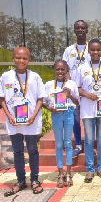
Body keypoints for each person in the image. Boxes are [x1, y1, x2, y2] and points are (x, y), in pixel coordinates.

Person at [0, 47, 46, 196]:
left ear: (29, 60)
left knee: (33, 150)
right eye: (18, 58)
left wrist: (33, 115)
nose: (21, 61)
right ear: (13, 58)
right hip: (14, 121)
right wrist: (8, 115)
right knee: (18, 152)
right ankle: (20, 181)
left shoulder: (35, 76)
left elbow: (40, 98)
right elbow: (2, 99)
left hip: (30, 121)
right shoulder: (5, 76)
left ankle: (34, 180)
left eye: (24, 58)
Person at [76, 39, 101, 183]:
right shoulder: (82, 68)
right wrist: (86, 94)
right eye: (93, 50)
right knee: (90, 140)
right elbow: (77, 88)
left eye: (98, 50)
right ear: (88, 51)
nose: (95, 52)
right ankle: (90, 170)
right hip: (87, 109)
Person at [43, 60, 79, 188]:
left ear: (66, 71)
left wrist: (69, 94)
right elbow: (42, 101)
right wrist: (50, 109)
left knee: (68, 143)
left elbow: (77, 102)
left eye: (62, 69)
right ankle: (60, 173)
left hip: (68, 113)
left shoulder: (71, 84)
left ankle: (68, 173)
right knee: (58, 143)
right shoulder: (48, 85)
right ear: (54, 70)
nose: (60, 72)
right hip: (56, 114)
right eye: (57, 69)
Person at [63, 20, 89, 158]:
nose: (80, 30)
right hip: (74, 90)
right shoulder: (69, 50)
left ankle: (90, 144)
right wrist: (72, 85)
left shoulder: (91, 48)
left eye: (83, 28)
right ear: (74, 30)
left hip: (87, 90)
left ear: (87, 30)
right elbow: (65, 68)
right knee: (75, 118)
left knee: (89, 118)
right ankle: (78, 145)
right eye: (78, 28)